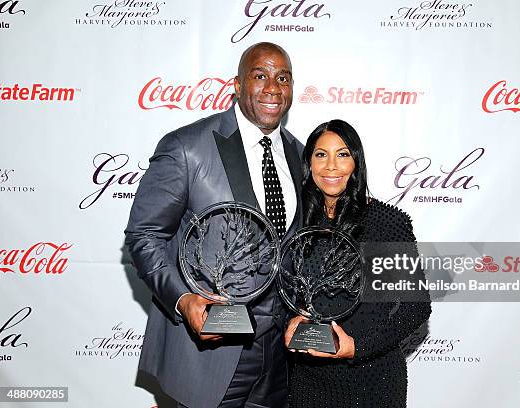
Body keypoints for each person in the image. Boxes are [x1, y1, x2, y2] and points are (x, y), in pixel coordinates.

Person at [125, 42, 303, 408]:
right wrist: (183, 299)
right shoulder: (186, 147)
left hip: (280, 358)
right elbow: (145, 235)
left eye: (282, 78)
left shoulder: (299, 154)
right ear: (237, 85)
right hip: (209, 354)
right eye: (260, 75)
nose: (273, 87)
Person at [284, 119, 432, 408]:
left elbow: (416, 306)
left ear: (356, 163)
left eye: (342, 154)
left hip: (371, 381)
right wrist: (292, 321)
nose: (331, 166)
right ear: (309, 164)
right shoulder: (298, 223)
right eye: (320, 154)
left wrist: (357, 347)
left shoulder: (385, 223)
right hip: (309, 383)